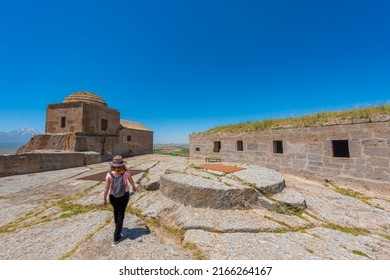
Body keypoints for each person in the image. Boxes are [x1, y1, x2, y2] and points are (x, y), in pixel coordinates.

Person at [103, 155, 137, 244]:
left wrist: (104, 199)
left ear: (113, 164)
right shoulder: (126, 173)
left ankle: (117, 226)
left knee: (115, 211)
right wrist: (133, 187)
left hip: (112, 196)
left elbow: (106, 188)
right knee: (121, 214)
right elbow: (130, 181)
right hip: (124, 195)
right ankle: (116, 237)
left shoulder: (109, 174)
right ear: (122, 164)